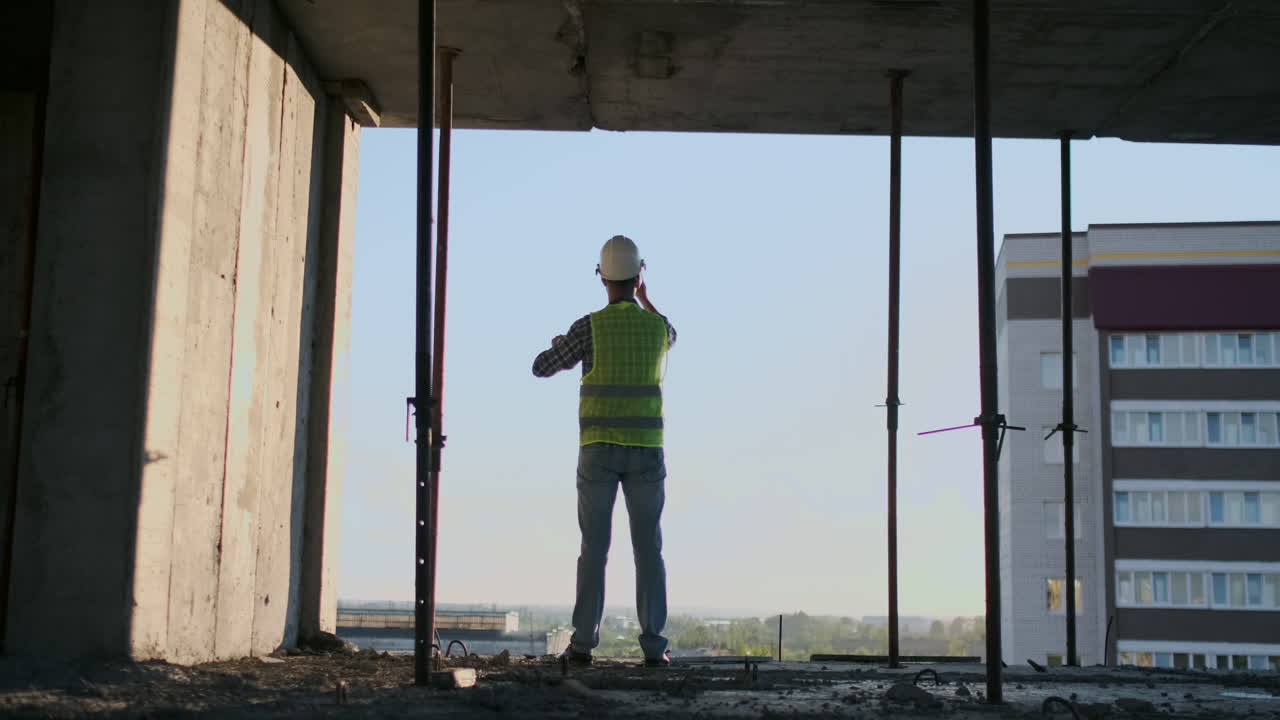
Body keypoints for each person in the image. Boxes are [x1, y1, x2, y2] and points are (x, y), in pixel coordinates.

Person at [532, 235, 676, 668]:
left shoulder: (588, 327)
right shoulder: (657, 327)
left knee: (594, 549)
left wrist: (562, 345)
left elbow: (541, 367)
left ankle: (582, 645)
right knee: (648, 549)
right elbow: (672, 332)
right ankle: (654, 647)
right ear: (639, 276)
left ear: (602, 278)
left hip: (597, 453)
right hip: (647, 453)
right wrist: (647, 300)